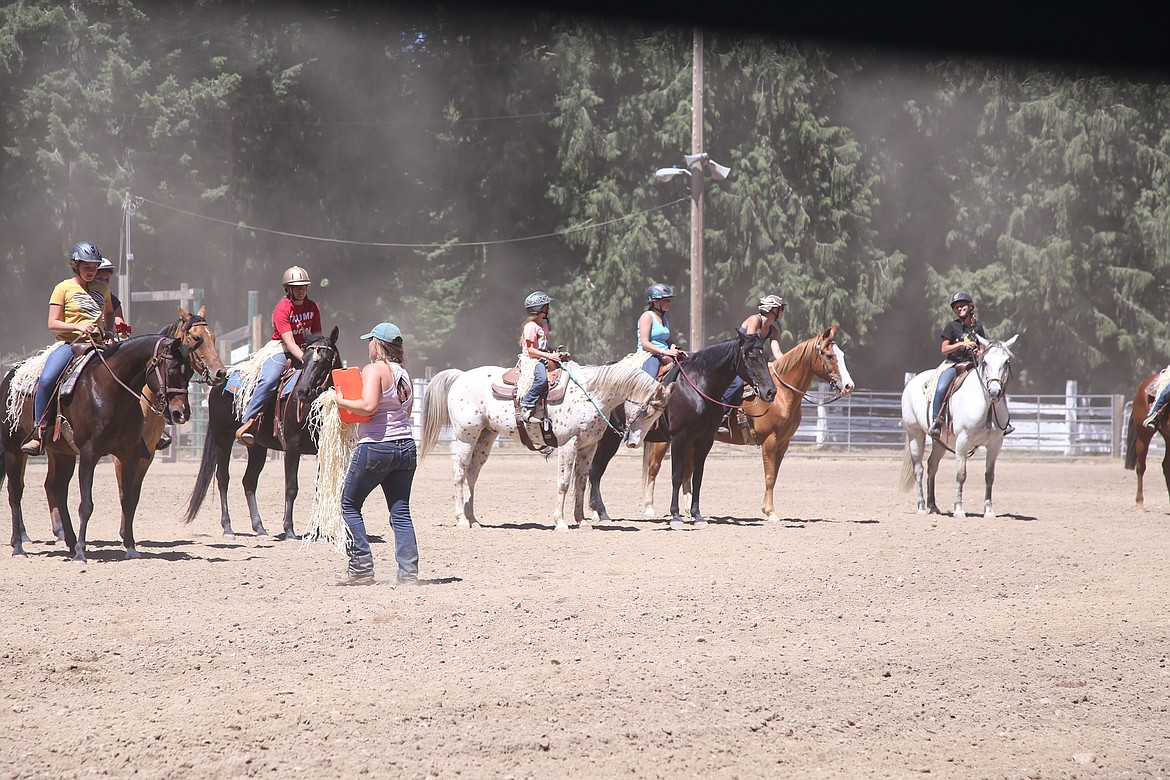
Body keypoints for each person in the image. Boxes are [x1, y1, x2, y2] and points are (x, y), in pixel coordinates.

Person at [332, 322, 419, 587]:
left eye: (370, 341)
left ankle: (361, 569)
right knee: (400, 511)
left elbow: (367, 407)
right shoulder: (403, 373)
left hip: (376, 446)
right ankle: (408, 574)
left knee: (348, 504)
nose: (368, 345)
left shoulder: (374, 370)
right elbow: (407, 413)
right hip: (405, 445)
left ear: (378, 344)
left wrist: (338, 400)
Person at [21, 242, 114, 456]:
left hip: (98, 345)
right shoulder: (63, 288)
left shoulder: (103, 289)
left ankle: (142, 430)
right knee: (46, 379)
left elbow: (109, 313)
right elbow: (53, 323)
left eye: (94, 267)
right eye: (87, 267)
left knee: (131, 369)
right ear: (75, 266)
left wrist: (109, 333)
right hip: (70, 345)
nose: (91, 271)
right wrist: (78, 326)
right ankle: (39, 431)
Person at [235, 265, 323, 446]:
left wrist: (316, 357)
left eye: (304, 287)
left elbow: (317, 336)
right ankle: (249, 421)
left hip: (307, 349)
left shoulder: (313, 307)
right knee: (270, 379)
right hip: (282, 348)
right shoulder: (282, 309)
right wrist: (307, 361)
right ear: (288, 289)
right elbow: (289, 342)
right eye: (297, 287)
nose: (301, 291)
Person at [929, 291, 1014, 437]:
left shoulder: (978, 328)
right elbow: (944, 349)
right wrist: (961, 344)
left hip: (973, 365)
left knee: (995, 385)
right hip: (953, 365)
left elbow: (982, 349)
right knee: (941, 387)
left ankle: (1003, 422)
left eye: (963, 306)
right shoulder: (951, 327)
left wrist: (979, 353)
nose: (960, 308)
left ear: (970, 307)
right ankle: (936, 422)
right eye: (957, 307)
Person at [720, 294, 787, 407]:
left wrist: (788, 365)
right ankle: (722, 411)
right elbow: (751, 346)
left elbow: (778, 353)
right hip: (736, 361)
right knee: (736, 384)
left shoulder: (773, 331)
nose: (783, 311)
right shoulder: (754, 320)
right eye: (781, 308)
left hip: (751, 362)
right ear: (773, 309)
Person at [518, 290, 570, 422]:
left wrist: (555, 353)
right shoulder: (530, 326)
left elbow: (544, 346)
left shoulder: (542, 325)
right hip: (532, 360)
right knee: (541, 379)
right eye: (547, 306)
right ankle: (526, 404)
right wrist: (549, 356)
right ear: (540, 308)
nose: (549, 308)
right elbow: (530, 350)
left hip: (542, 357)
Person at [637, 283, 686, 377]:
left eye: (669, 300)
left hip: (664, 353)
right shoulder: (647, 317)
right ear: (655, 302)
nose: (669, 303)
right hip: (649, 355)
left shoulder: (665, 318)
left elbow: (670, 341)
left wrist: (673, 349)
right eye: (666, 300)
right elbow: (645, 343)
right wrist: (664, 351)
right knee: (650, 380)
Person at [93, 258, 131, 339]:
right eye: (99, 279)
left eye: (107, 279)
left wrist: (122, 330)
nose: (104, 282)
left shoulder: (113, 300)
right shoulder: (82, 296)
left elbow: (118, 319)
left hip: (106, 341)